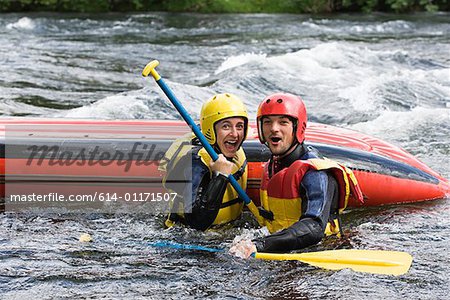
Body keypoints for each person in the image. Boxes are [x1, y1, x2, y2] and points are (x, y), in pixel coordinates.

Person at [230, 92, 363, 257]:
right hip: (280, 246)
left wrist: (260, 244)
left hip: (320, 251)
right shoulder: (273, 165)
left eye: (283, 122)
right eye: (268, 122)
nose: (274, 128)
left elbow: (313, 228)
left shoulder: (316, 173)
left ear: (298, 128)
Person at [160, 93, 249, 231]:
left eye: (239, 126)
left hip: (226, 232)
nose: (235, 134)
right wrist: (220, 177)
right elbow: (196, 222)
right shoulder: (194, 163)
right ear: (210, 129)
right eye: (226, 126)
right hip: (186, 243)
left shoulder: (235, 151)